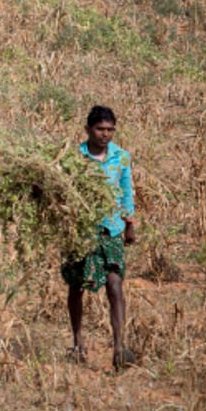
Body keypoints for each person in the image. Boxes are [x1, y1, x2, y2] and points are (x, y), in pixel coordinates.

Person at [61, 105, 137, 371]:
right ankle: (78, 341)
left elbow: (126, 190)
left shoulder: (121, 157)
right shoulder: (74, 158)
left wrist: (129, 223)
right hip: (81, 229)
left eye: (110, 130)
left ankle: (119, 346)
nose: (105, 134)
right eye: (100, 129)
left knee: (115, 284)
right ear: (88, 130)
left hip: (111, 228)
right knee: (76, 285)